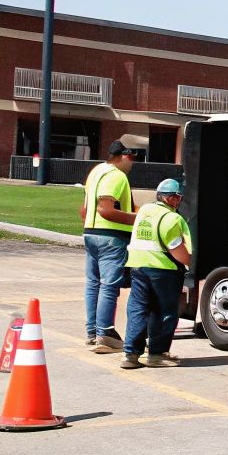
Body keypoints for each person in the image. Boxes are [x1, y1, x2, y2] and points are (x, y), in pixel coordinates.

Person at [121, 178, 193, 370]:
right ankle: (157, 354)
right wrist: (192, 263)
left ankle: (130, 354)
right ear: (171, 198)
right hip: (163, 271)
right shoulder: (171, 218)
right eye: (178, 197)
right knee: (164, 312)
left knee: (138, 309)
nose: (179, 201)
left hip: (137, 266)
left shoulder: (145, 211)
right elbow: (178, 251)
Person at [79, 140, 139, 353]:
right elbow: (105, 209)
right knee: (109, 285)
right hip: (111, 237)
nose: (132, 163)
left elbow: (85, 209)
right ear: (124, 156)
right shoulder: (117, 175)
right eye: (132, 158)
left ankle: (92, 332)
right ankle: (105, 333)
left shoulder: (96, 171)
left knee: (93, 283)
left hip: (91, 233)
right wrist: (138, 218)